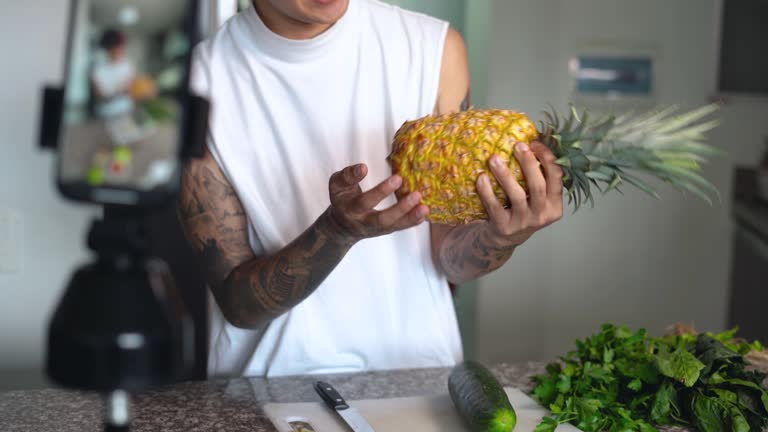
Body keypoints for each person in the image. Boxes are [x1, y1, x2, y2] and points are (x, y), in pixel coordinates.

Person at [180, 0, 564, 378]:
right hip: (270, 388)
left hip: (416, 378)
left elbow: (449, 258)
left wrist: (502, 236)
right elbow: (238, 305)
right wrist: (335, 233)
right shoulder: (197, 86)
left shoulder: (434, 49)